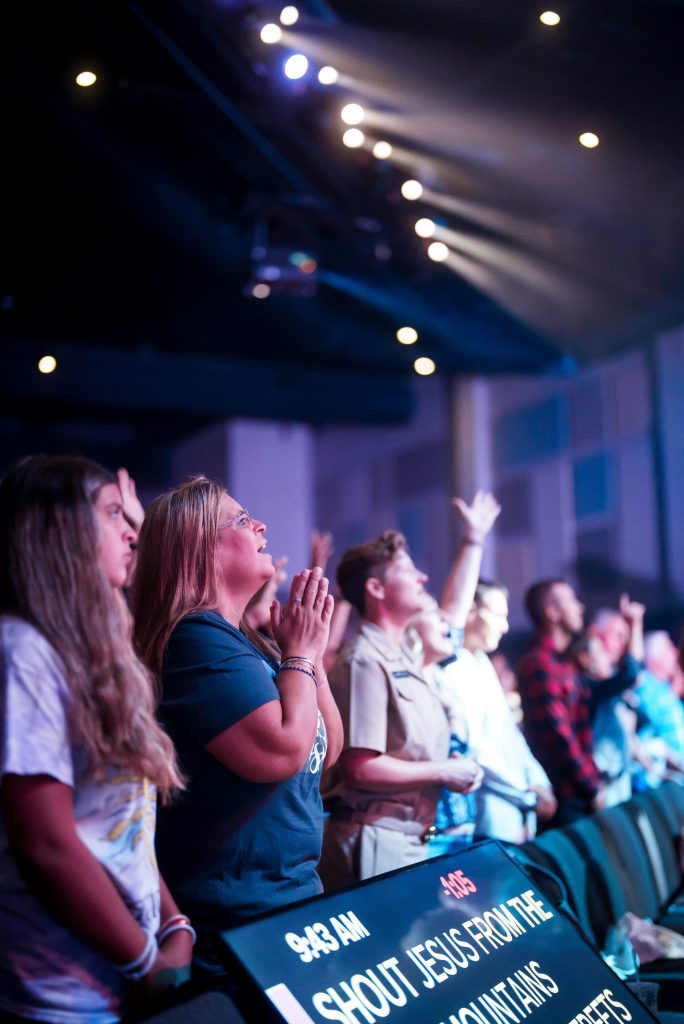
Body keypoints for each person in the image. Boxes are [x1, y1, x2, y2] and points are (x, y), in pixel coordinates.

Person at [0, 455, 188, 1024]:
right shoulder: (23, 651)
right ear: (61, 530)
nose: (132, 530)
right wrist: (144, 961)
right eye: (112, 514)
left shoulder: (86, 651)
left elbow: (116, 827)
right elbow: (47, 845)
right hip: (58, 995)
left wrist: (172, 923)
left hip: (120, 973)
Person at [131, 476, 343, 974]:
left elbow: (327, 750)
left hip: (292, 899)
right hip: (240, 917)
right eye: (244, 520)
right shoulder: (194, 638)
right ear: (200, 547)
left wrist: (306, 652)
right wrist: (302, 652)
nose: (262, 525)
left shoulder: (250, 641)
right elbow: (281, 752)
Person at [319, 492, 499, 890]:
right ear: (376, 590)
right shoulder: (365, 658)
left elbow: (449, 615)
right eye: (408, 571)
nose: (422, 579)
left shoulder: (402, 659)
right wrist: (444, 770)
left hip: (410, 836)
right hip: (379, 837)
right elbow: (359, 767)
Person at [433, 582, 556, 844]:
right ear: (471, 611)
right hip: (489, 815)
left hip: (516, 807)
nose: (505, 626)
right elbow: (474, 749)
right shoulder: (451, 670)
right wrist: (526, 793)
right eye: (498, 615)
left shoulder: (482, 662)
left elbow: (509, 733)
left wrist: (539, 782)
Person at [516, 579, 603, 826]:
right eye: (572, 601)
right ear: (552, 612)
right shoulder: (538, 663)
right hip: (564, 798)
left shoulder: (564, 663)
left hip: (579, 791)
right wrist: (592, 786)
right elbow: (559, 737)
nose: (581, 607)